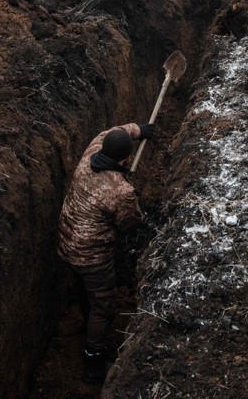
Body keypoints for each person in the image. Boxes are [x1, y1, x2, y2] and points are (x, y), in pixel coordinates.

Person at [57, 122, 155, 383]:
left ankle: (85, 324)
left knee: (83, 290)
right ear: (126, 158)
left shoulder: (92, 152)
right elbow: (130, 224)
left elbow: (110, 131)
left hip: (66, 240)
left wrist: (137, 130)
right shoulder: (120, 192)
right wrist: (130, 193)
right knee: (103, 307)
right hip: (92, 256)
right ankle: (93, 363)